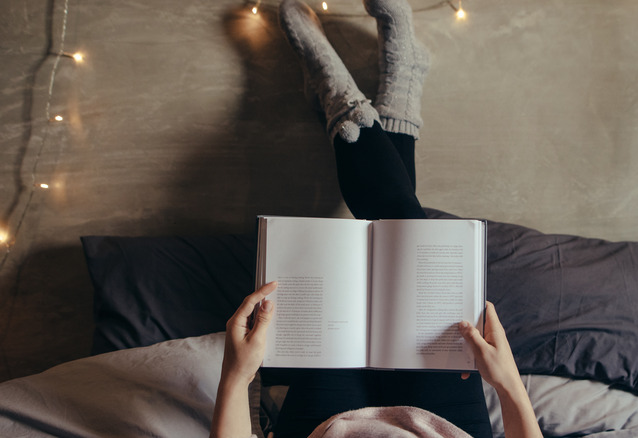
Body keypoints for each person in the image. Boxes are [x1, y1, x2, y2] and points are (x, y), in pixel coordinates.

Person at [211, 0, 544, 436]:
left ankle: (367, 96)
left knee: (396, 228)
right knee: (406, 231)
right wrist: (508, 384)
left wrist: (236, 375)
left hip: (324, 427)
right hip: (442, 426)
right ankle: (346, 99)